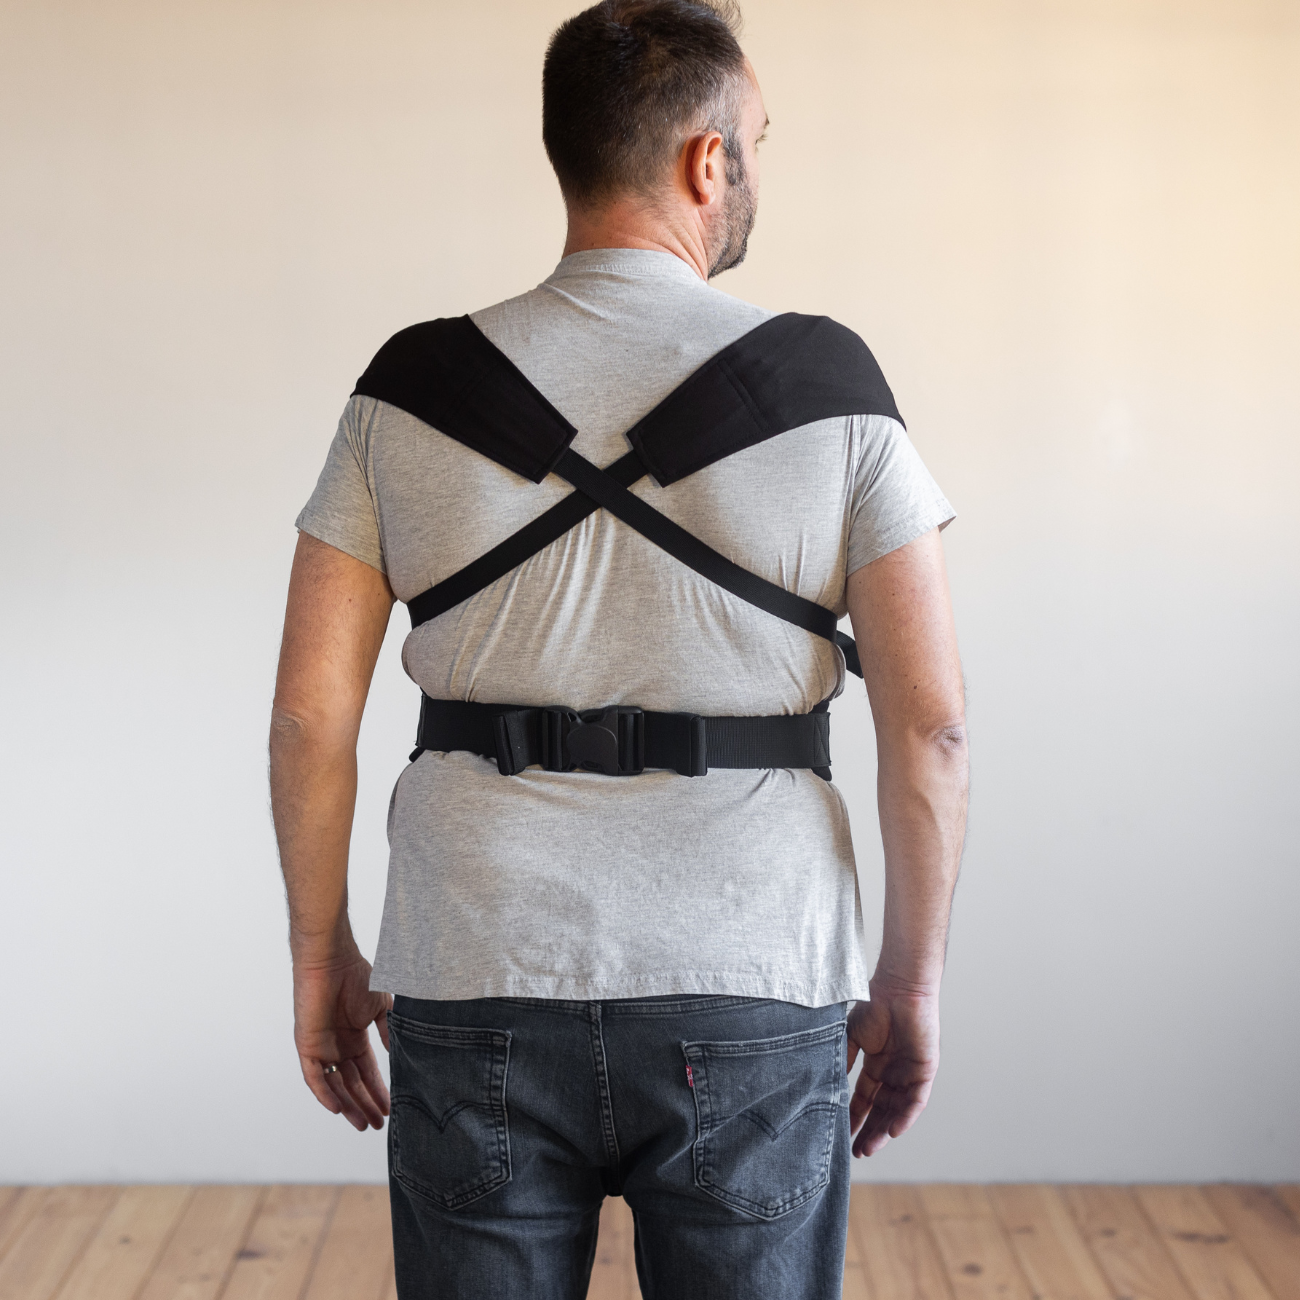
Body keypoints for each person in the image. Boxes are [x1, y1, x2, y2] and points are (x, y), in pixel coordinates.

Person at [269, 1, 968, 1296]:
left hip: (476, 958)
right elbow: (931, 730)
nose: (756, 165)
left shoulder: (403, 394)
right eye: (757, 139)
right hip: (750, 970)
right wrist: (909, 983)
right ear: (708, 159)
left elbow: (310, 719)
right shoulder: (835, 392)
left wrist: (323, 957)